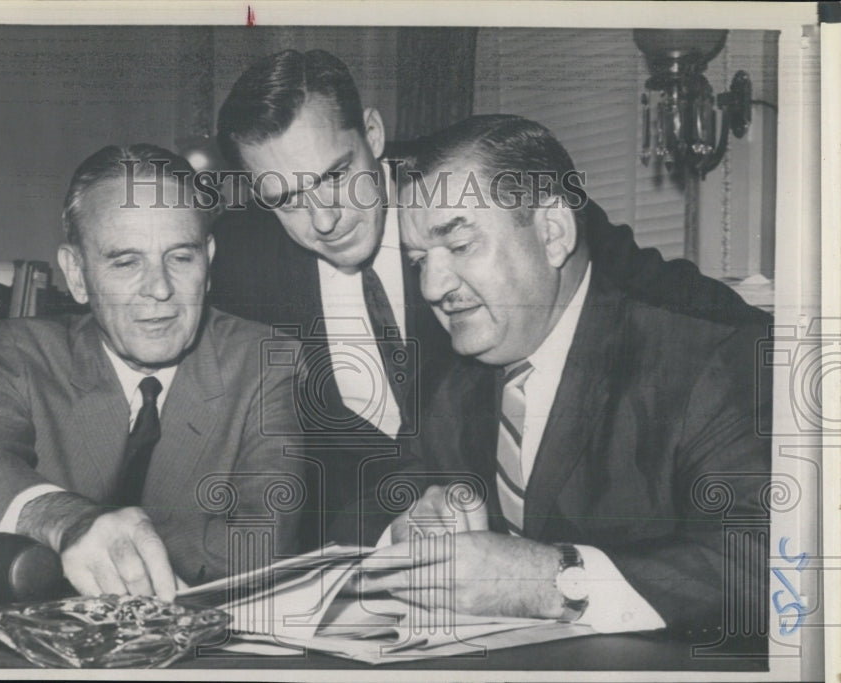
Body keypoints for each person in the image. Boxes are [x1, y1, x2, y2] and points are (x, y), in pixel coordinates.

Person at [210, 49, 767, 545]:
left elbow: (674, 301)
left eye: (335, 176)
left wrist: (771, 367)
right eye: (285, 199)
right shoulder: (243, 266)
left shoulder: (474, 186)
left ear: (373, 136)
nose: (323, 219)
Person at [357, 115, 771, 640]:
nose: (433, 286)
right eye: (418, 261)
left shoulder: (706, 361)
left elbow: (766, 566)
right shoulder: (446, 381)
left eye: (459, 246)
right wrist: (414, 518)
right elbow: (373, 499)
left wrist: (551, 582)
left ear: (552, 233)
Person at [0, 144, 311, 600]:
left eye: (180, 257)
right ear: (76, 274)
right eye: (126, 261)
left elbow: (261, 546)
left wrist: (112, 551)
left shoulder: (263, 360)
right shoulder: (17, 353)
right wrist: (68, 521)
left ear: (208, 261)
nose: (159, 288)